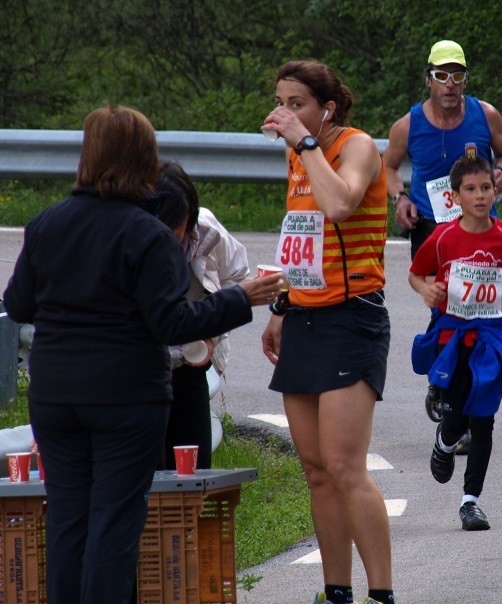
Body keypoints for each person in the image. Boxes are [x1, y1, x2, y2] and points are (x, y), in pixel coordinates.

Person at [1, 104, 285, 604]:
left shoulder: (47, 224)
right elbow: (171, 324)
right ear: (143, 160)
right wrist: (242, 299)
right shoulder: (147, 234)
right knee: (114, 523)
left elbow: (19, 303)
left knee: (68, 519)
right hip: (125, 399)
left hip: (56, 394)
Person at [260, 60, 395, 604]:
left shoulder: (355, 145)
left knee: (345, 466)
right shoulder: (297, 153)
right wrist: (282, 305)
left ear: (327, 109)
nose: (286, 114)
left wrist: (307, 145)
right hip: (305, 315)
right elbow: (303, 232)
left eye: (298, 104)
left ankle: (381, 594)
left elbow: (340, 205)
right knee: (316, 470)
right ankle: (335, 591)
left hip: (353, 315)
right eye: (281, 103)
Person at [385, 39, 502, 450]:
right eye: (441, 76)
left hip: (478, 228)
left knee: (473, 308)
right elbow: (388, 166)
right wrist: (400, 198)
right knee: (444, 304)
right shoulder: (407, 125)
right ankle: (446, 387)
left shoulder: (484, 114)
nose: (450, 84)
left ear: (465, 79)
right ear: (428, 79)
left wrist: (500, 172)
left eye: (457, 76)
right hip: (432, 228)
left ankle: (453, 394)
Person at [408, 156, 502, 531]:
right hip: (454, 335)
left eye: (486, 188)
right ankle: (444, 442)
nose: (480, 196)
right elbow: (416, 274)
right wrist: (427, 289)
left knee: (484, 419)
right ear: (455, 196)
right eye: (471, 189)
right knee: (457, 412)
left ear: (495, 191)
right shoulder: (444, 236)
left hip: (492, 337)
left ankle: (470, 502)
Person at [155, 159, 250, 470]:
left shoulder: (207, 231)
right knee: (148, 473)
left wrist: (211, 334)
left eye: (178, 229)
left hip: (190, 366)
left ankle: (189, 519)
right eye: (162, 228)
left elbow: (237, 276)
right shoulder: (128, 239)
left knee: (193, 471)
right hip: (139, 372)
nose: (169, 239)